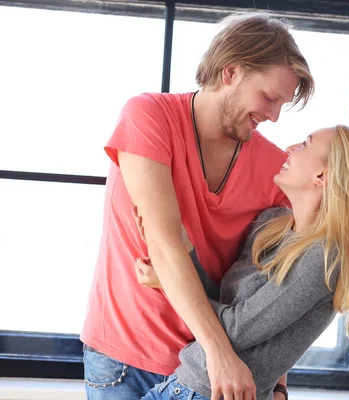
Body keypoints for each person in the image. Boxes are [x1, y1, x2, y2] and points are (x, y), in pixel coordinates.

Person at [80, 11, 314, 400]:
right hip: (125, 357)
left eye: (281, 105)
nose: (273, 116)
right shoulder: (148, 117)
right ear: (231, 72)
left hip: (212, 373)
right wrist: (218, 352)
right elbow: (166, 243)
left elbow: (274, 287)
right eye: (269, 97)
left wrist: (278, 387)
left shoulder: (276, 170)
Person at [133, 125, 349, 400]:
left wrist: (169, 283)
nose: (290, 148)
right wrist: (186, 254)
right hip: (183, 385)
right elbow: (227, 306)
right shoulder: (270, 225)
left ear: (322, 175)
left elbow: (238, 330)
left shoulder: (325, 258)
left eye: (305, 143)